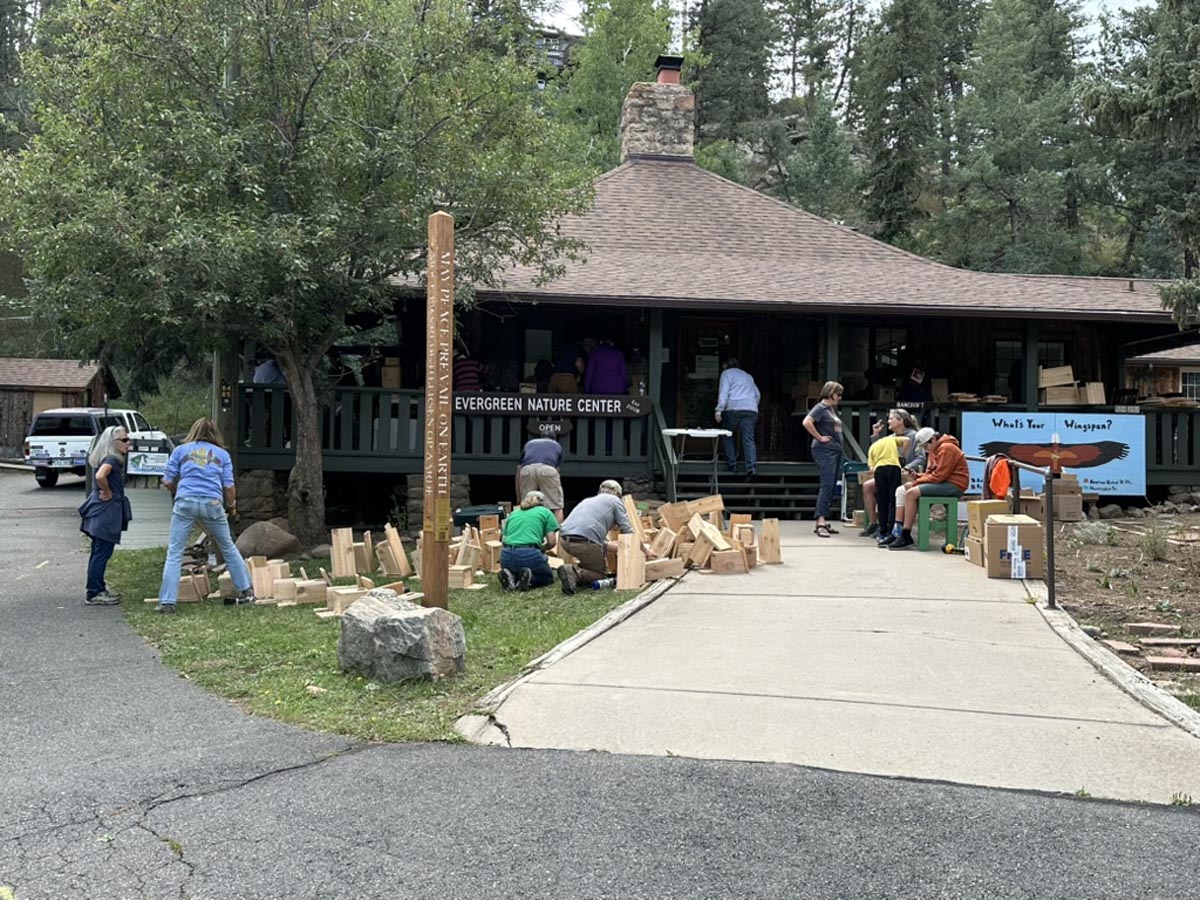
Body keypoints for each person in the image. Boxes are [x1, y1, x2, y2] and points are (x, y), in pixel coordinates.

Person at [156, 418, 256, 613]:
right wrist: (232, 506)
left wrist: (178, 491)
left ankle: (167, 602)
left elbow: (167, 481)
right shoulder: (222, 455)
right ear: (215, 434)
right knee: (227, 546)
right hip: (212, 503)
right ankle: (246, 590)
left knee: (175, 552)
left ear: (193, 431)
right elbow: (228, 486)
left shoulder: (180, 451)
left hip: (185, 501)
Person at [556, 480, 653, 594]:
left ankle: (574, 572)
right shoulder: (615, 501)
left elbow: (592, 537)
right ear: (618, 494)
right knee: (599, 575)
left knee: (590, 559)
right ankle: (575, 573)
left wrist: (619, 548)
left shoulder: (588, 500)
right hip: (585, 543)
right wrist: (645, 551)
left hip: (564, 540)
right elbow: (627, 531)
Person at [887, 427, 970, 550]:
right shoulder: (934, 450)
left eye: (926, 446)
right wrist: (918, 476)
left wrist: (918, 481)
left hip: (954, 485)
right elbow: (932, 473)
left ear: (933, 439)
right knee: (903, 489)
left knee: (911, 493)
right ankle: (898, 530)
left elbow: (939, 476)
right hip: (944, 482)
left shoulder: (947, 448)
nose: (925, 450)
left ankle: (905, 534)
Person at [77, 426, 134, 606]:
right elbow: (101, 476)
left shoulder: (106, 459)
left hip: (98, 511)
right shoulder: (111, 459)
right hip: (105, 513)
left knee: (98, 551)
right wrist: (107, 491)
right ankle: (94, 592)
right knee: (102, 552)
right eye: (124, 440)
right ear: (113, 442)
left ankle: (98, 588)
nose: (128, 443)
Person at [859, 409, 917, 538]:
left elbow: (921, 457)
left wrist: (907, 466)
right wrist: (875, 435)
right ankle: (874, 523)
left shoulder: (914, 435)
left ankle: (894, 526)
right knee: (867, 486)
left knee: (892, 496)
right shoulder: (890, 438)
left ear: (900, 421)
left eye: (891, 419)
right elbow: (877, 451)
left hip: (908, 474)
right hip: (891, 471)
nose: (888, 421)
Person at [803, 381, 845, 537]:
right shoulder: (820, 407)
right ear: (830, 393)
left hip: (834, 450)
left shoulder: (830, 409)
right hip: (825, 450)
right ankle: (820, 521)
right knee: (827, 484)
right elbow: (807, 422)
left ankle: (823, 519)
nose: (839, 397)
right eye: (838, 394)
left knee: (831, 485)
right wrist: (819, 437)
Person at [498, 491, 560, 592]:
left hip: (506, 555)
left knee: (518, 569)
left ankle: (511, 577)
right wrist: (543, 549)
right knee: (547, 578)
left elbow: (503, 538)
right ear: (542, 502)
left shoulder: (514, 514)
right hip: (529, 553)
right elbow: (552, 542)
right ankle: (530, 579)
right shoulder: (545, 512)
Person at [714, 357, 761, 480]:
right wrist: (752, 404)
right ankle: (751, 469)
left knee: (728, 434)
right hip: (751, 408)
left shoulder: (726, 374)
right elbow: (757, 394)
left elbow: (723, 393)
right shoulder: (748, 376)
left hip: (733, 407)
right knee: (749, 439)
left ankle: (732, 464)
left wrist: (719, 410)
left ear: (725, 365)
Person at [517, 435, 565, 523]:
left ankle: (528, 530)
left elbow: (519, 469)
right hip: (548, 468)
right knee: (556, 506)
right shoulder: (556, 445)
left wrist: (519, 497)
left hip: (527, 469)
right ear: (553, 438)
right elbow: (557, 469)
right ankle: (557, 533)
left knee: (527, 504)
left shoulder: (529, 444)